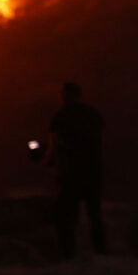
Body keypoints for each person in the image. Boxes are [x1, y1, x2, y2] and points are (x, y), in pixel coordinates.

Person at [45, 82, 106, 258]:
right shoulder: (92, 114)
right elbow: (101, 139)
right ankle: (101, 250)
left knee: (65, 215)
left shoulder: (61, 116)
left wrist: (50, 161)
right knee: (94, 213)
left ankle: (68, 253)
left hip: (71, 173)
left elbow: (56, 144)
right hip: (93, 171)